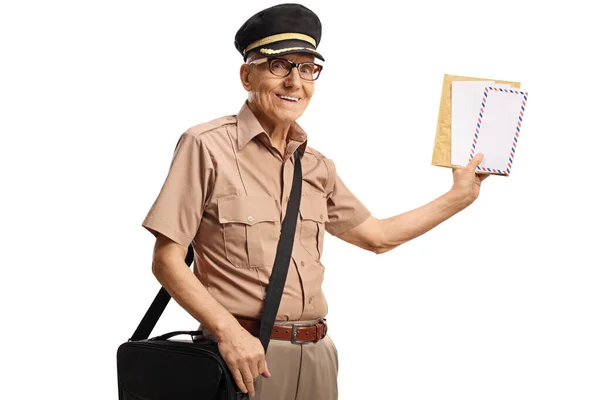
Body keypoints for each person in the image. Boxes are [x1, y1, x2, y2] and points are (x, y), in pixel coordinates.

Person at [141, 3, 488, 399]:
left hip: (319, 356)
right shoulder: (206, 146)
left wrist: (459, 196)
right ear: (245, 75)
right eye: (279, 65)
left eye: (307, 69)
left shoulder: (317, 166)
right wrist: (228, 332)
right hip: (245, 356)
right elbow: (166, 259)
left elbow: (379, 236)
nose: (295, 81)